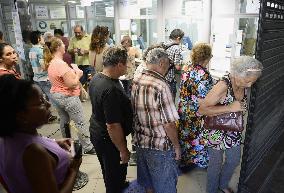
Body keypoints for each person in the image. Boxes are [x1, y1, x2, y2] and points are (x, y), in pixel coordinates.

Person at [0, 74, 82, 193]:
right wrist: (74, 169)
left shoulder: (8, 138)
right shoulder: (34, 153)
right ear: (21, 115)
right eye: (41, 102)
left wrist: (53, 144)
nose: (48, 105)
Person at [198, 56, 263, 193]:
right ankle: (212, 190)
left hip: (233, 129)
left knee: (233, 160)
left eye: (253, 82)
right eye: (248, 81)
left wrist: (240, 107)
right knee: (215, 165)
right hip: (215, 132)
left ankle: (222, 185)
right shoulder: (222, 86)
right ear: (237, 74)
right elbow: (202, 109)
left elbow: (238, 104)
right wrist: (230, 108)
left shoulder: (242, 84)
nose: (250, 85)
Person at [131, 46, 181, 193]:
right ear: (161, 63)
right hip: (159, 146)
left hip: (141, 142)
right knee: (166, 187)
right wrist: (177, 146)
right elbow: (169, 124)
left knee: (148, 185)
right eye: (167, 65)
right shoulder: (161, 86)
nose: (167, 68)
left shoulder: (137, 79)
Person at [89, 47, 133, 193]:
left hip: (97, 131)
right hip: (109, 139)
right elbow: (113, 125)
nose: (127, 66)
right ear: (119, 64)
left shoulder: (97, 77)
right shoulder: (110, 89)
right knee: (114, 173)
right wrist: (123, 150)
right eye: (126, 64)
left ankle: (118, 184)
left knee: (109, 170)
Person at [45, 37, 95, 155]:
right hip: (68, 97)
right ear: (58, 47)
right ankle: (88, 147)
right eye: (62, 44)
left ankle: (67, 147)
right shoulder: (61, 64)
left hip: (57, 96)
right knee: (80, 122)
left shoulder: (52, 62)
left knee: (64, 121)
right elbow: (72, 84)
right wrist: (78, 74)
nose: (65, 46)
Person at [177, 43, 214, 171]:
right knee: (199, 136)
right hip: (198, 112)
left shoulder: (187, 69)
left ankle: (185, 162)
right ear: (207, 57)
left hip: (184, 109)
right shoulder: (204, 75)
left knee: (185, 135)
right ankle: (200, 162)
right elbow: (207, 98)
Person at [29, 30, 58, 122]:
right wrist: (52, 63)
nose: (43, 39)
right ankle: (62, 115)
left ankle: (47, 116)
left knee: (43, 99)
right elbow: (44, 66)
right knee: (53, 97)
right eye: (42, 37)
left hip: (36, 78)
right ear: (38, 39)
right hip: (44, 78)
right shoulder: (40, 50)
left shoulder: (31, 50)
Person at [164, 29, 184, 99]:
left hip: (162, 76)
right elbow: (177, 67)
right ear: (178, 38)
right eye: (182, 39)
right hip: (170, 78)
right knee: (171, 101)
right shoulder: (177, 48)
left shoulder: (165, 44)